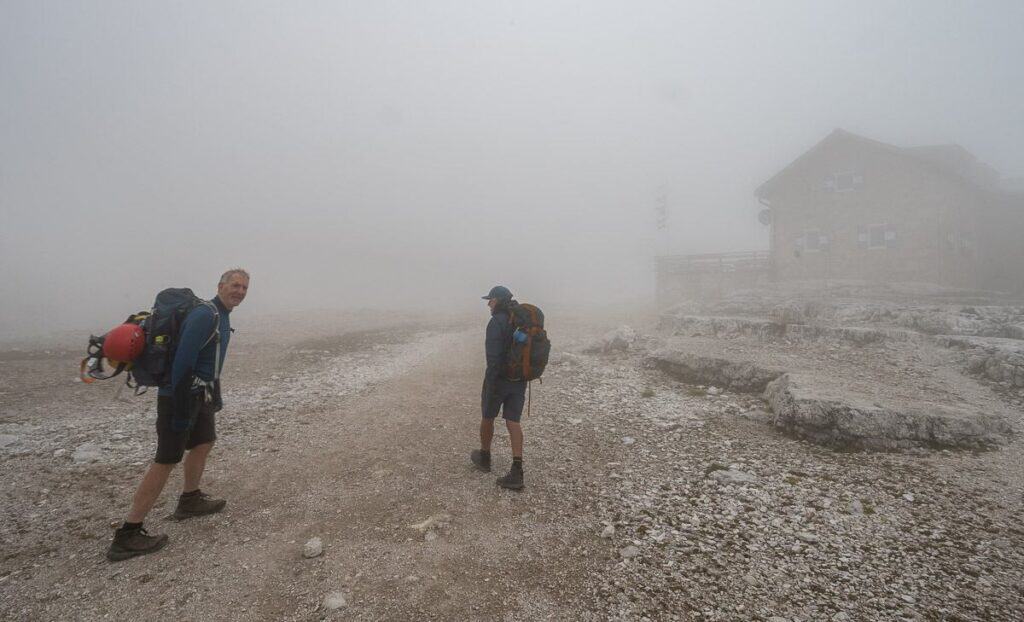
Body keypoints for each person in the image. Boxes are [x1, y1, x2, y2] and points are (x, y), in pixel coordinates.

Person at [106, 268, 250, 561]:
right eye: (235, 285)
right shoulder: (205, 315)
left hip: (201, 394)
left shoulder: (222, 316)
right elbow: (183, 363)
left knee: (204, 442)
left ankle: (190, 500)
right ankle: (128, 534)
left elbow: (210, 359)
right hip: (179, 396)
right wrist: (182, 410)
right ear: (220, 286)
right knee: (166, 459)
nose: (240, 291)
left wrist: (214, 395)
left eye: (245, 287)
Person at [471, 285, 527, 490]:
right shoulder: (521, 321)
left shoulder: (497, 322)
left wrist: (492, 383)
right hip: (519, 380)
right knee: (513, 421)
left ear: (498, 301)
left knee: (488, 415)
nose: (488, 303)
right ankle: (517, 469)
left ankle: (485, 457)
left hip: (499, 379)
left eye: (491, 300)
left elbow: (493, 357)